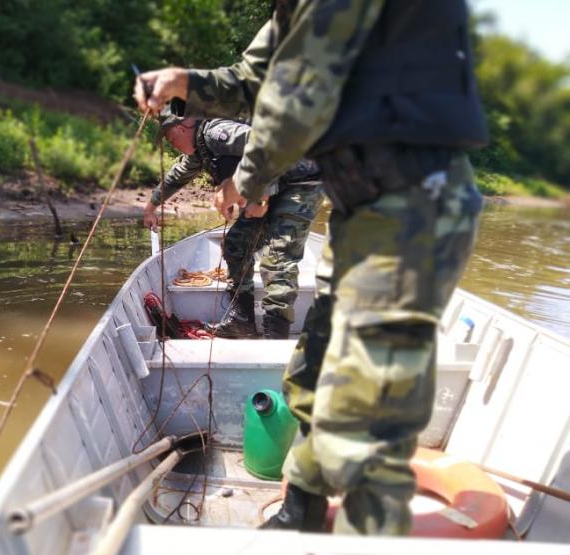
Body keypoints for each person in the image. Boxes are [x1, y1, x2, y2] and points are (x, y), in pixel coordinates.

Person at [135, 0, 487, 536]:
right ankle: (300, 506)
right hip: (357, 213)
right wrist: (185, 79)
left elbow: (294, 99)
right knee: (312, 369)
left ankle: (364, 528)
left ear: (183, 127)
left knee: (369, 398)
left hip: (415, 204)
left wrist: (250, 182)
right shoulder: (289, 12)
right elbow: (256, 78)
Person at [144, 111, 324, 339]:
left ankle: (276, 335)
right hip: (274, 186)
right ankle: (242, 321)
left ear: (181, 128)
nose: (173, 145)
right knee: (235, 244)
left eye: (171, 139)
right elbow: (177, 175)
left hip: (300, 182)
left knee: (277, 258)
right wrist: (150, 207)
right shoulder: (201, 150)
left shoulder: (217, 133)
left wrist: (260, 197)